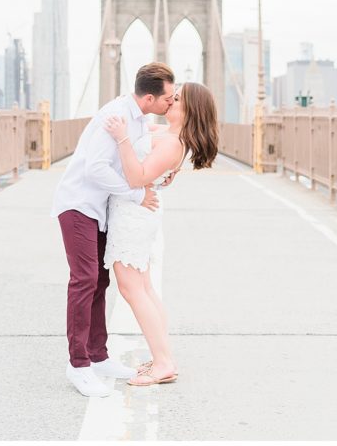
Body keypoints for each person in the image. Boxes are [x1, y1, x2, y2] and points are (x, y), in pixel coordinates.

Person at [52, 62, 176, 398]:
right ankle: (78, 365)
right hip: (79, 204)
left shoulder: (138, 119)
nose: (171, 103)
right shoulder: (116, 115)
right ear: (149, 98)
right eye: (168, 98)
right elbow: (95, 169)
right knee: (84, 280)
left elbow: (145, 154)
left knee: (100, 281)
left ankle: (98, 356)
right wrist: (136, 194)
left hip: (100, 210)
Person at [101, 81, 219, 386]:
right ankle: (161, 357)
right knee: (144, 288)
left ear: (189, 109)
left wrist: (122, 140)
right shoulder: (167, 135)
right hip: (138, 213)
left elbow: (137, 176)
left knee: (132, 289)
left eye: (176, 98)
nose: (169, 101)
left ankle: (164, 362)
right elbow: (141, 130)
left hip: (135, 215)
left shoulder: (171, 144)